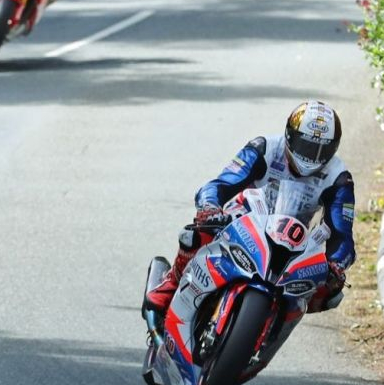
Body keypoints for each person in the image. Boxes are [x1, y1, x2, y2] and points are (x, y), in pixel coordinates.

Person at [144, 101, 358, 317]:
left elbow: (342, 235)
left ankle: (271, 330)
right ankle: (171, 285)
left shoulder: (339, 177)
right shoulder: (264, 147)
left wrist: (336, 265)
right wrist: (210, 207)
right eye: (307, 146)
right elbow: (219, 185)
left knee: (329, 291)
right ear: (290, 135)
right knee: (199, 232)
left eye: (322, 150)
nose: (312, 156)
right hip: (245, 221)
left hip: (292, 242)